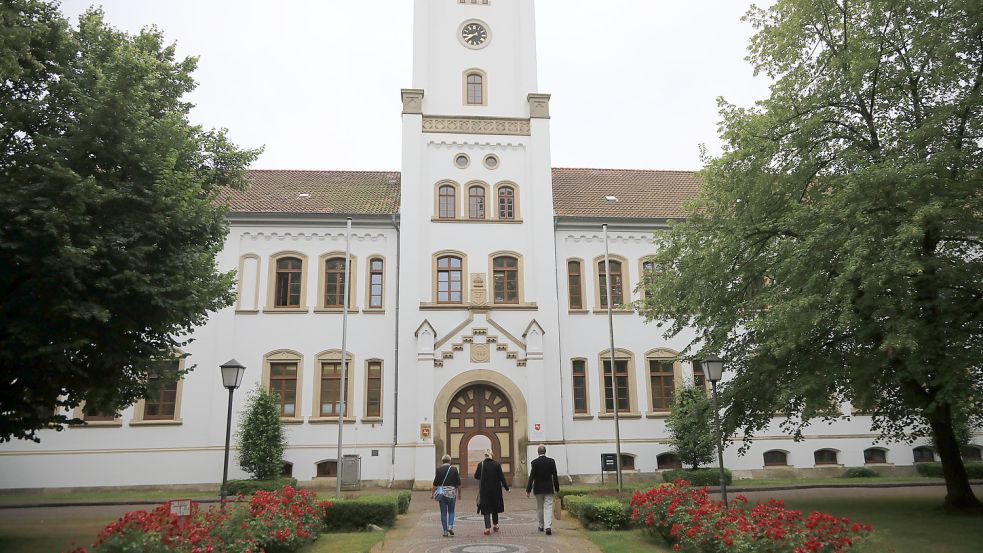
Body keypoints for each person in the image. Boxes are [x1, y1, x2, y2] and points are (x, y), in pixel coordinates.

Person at [526, 444, 560, 535]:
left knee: (540, 507)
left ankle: (541, 525)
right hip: (548, 488)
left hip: (538, 489)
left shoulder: (534, 463)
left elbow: (532, 477)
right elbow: (555, 476)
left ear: (538, 452)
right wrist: (557, 488)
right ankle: (548, 526)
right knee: (548, 507)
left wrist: (528, 489)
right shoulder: (551, 462)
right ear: (545, 452)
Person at [474, 449, 510, 535]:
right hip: (496, 490)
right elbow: (502, 477)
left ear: (485, 455)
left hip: (484, 490)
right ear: (491, 455)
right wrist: (507, 488)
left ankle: (487, 528)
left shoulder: (481, 464)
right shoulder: (497, 465)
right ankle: (496, 525)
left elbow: (476, 476)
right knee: (495, 508)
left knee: (486, 509)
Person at [432, 454, 461, 537]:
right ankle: (450, 526)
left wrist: (432, 494)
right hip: (452, 493)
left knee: (443, 513)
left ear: (442, 461)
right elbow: (459, 483)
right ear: (450, 461)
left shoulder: (439, 470)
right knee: (451, 511)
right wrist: (459, 494)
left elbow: (435, 484)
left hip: (442, 494)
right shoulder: (454, 469)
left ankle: (445, 531)